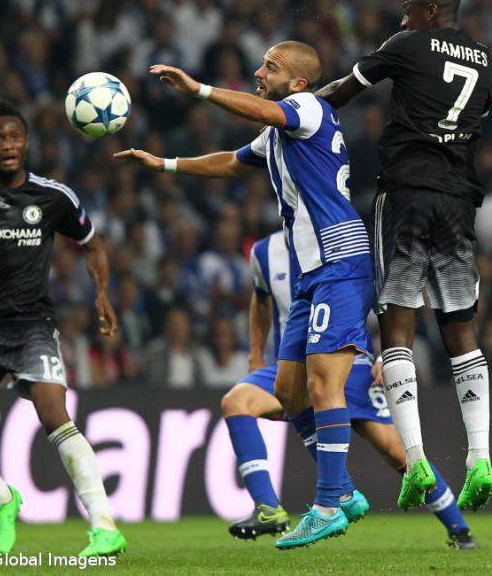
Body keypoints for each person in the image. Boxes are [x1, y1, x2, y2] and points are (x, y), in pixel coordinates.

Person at [116, 41, 372, 549]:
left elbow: (263, 110)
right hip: (308, 274)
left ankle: (328, 503)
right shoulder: (280, 131)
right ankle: (342, 491)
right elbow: (230, 163)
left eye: (269, 67)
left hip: (339, 259)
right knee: (290, 393)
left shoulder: (306, 107)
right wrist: (164, 165)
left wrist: (200, 89)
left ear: (298, 82)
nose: (258, 71)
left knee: (324, 388)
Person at [316, 0, 492, 511]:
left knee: (397, 326)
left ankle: (416, 459)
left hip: (406, 192)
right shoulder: (486, 61)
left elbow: (341, 93)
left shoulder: (408, 44)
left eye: (409, 8)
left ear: (432, 11)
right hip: (459, 199)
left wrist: (287, 115)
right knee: (461, 331)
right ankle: (480, 458)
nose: (402, 18)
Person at [0, 99, 127, 557]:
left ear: (26, 143)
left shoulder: (53, 197)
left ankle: (104, 525)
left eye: (15, 137)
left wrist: (102, 295)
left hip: (33, 326)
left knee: (55, 414)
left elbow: (93, 245)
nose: (7, 145)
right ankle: (2, 498)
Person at [220, 231, 478, 549]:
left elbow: (390, 294)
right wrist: (255, 356)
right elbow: (260, 300)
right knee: (236, 402)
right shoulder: (263, 252)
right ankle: (269, 509)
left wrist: (392, 351)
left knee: (397, 452)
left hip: (350, 362)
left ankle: (459, 530)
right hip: (293, 367)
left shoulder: (343, 240)